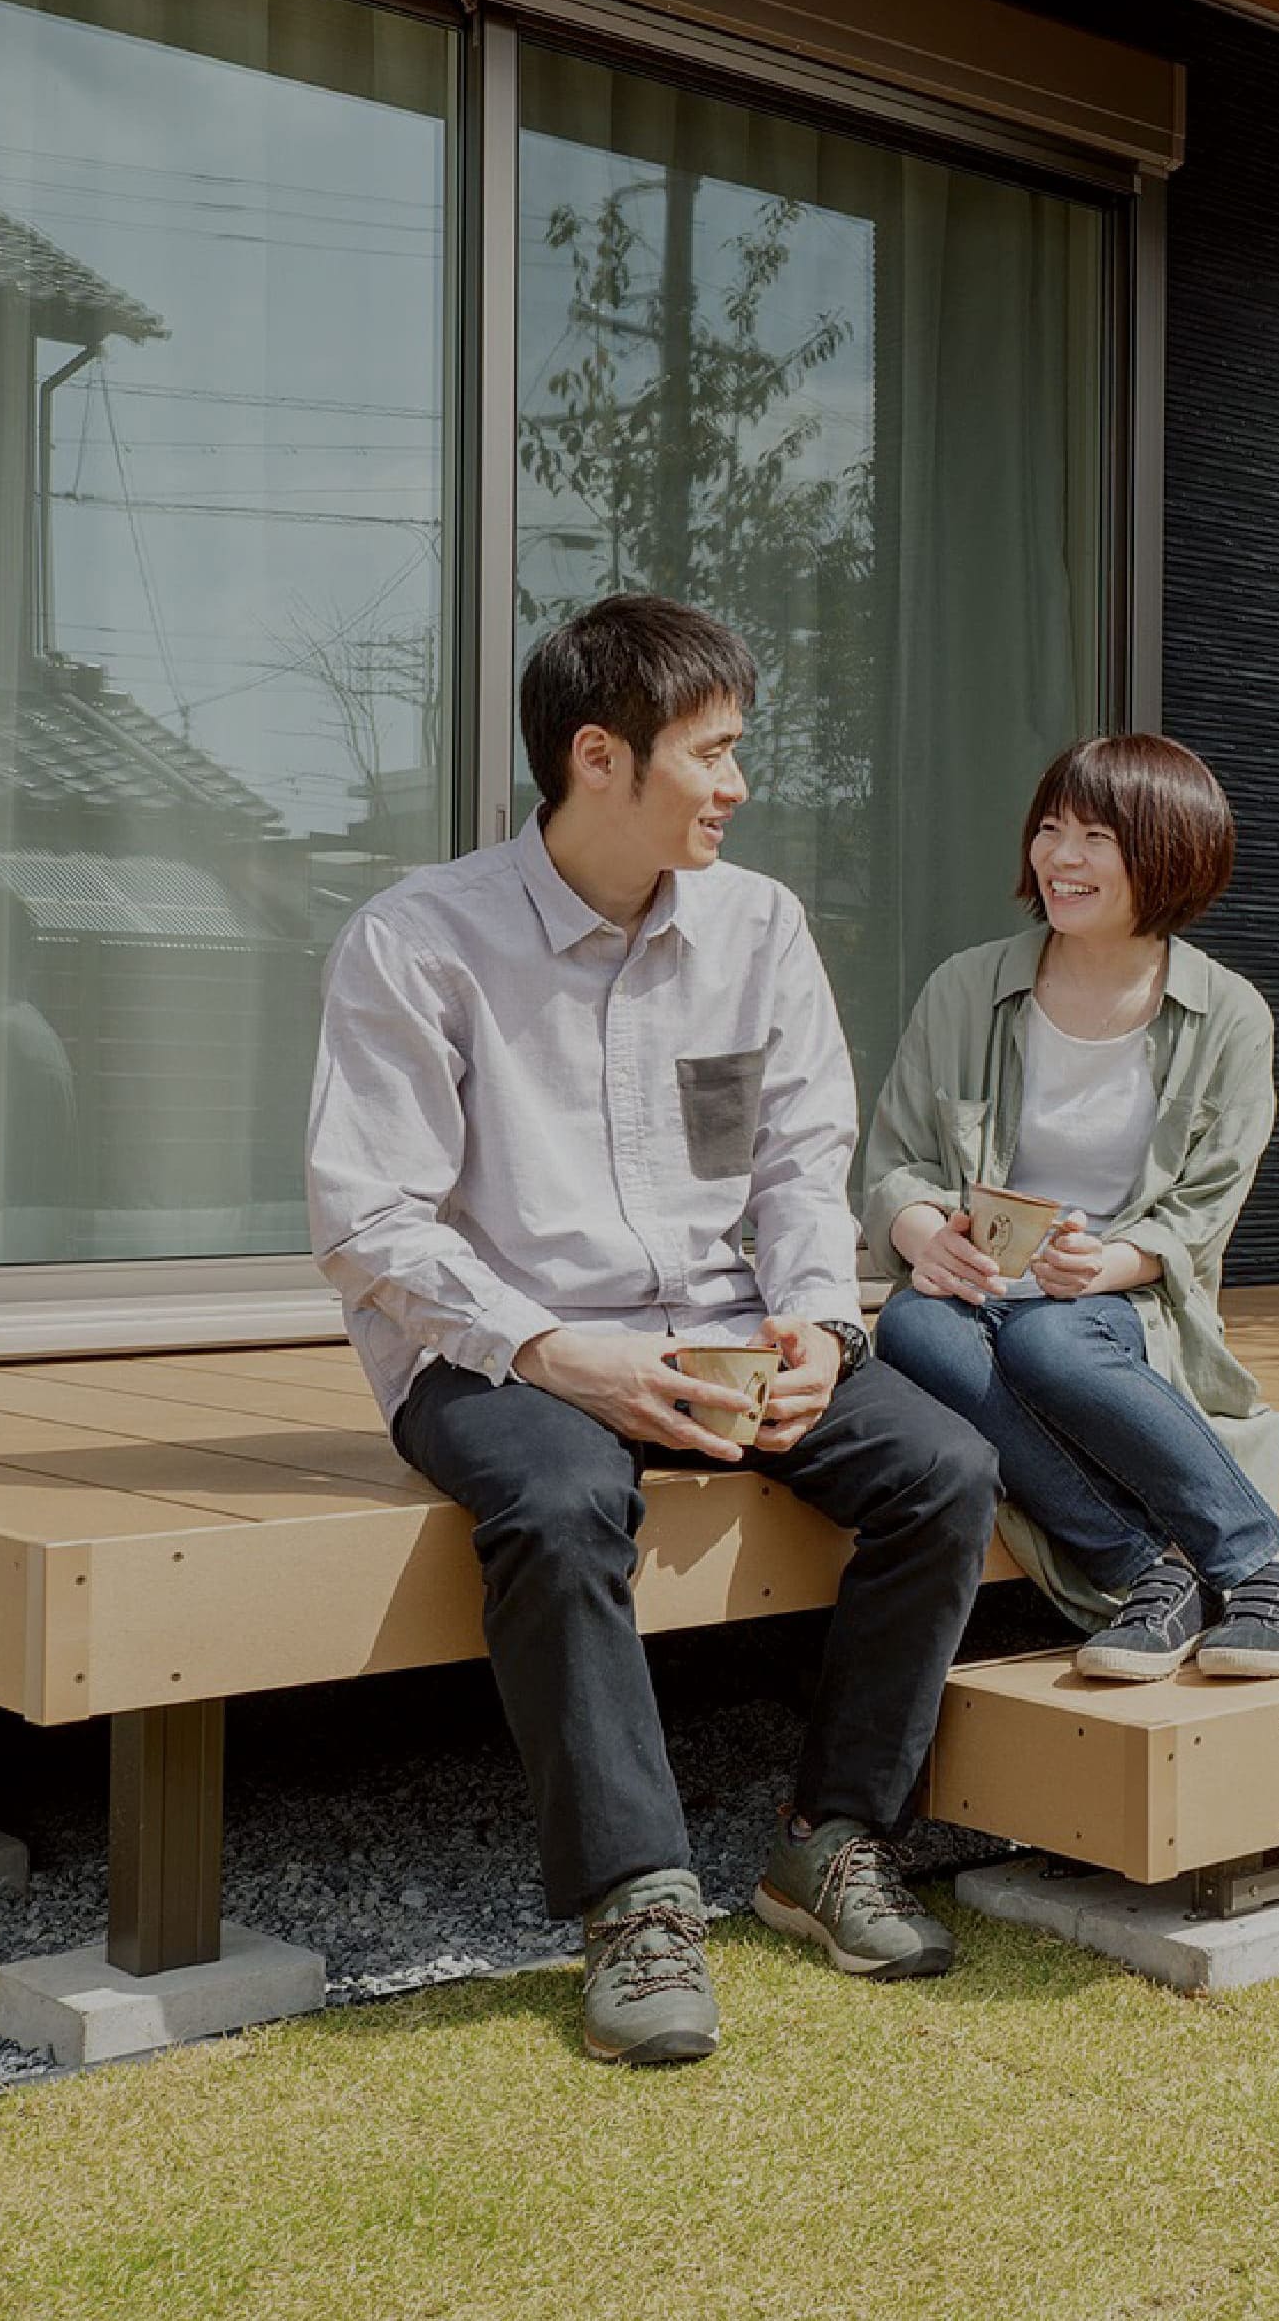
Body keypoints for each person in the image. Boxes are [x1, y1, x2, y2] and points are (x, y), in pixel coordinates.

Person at [305, 593, 998, 2068]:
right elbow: (370, 1222)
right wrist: (559, 1354)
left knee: (944, 1470)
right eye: (716, 750)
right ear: (601, 756)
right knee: (563, 1500)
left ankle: (832, 1837)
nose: (741, 785)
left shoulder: (759, 926)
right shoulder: (416, 942)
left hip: (724, 1326)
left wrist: (820, 1317)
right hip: (493, 1345)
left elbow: (799, 1157)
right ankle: (636, 1900)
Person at [863, 733, 1279, 1687]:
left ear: (1167, 853)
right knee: (914, 1326)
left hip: (1124, 1302)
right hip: (978, 1288)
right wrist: (924, 1236)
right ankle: (1148, 1573)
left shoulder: (1229, 1014)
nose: (1059, 859)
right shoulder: (965, 987)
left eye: (1094, 837)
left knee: (1053, 1340)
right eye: (1048, 829)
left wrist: (1105, 1265)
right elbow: (896, 1163)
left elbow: (1202, 1211)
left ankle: (1266, 1564)